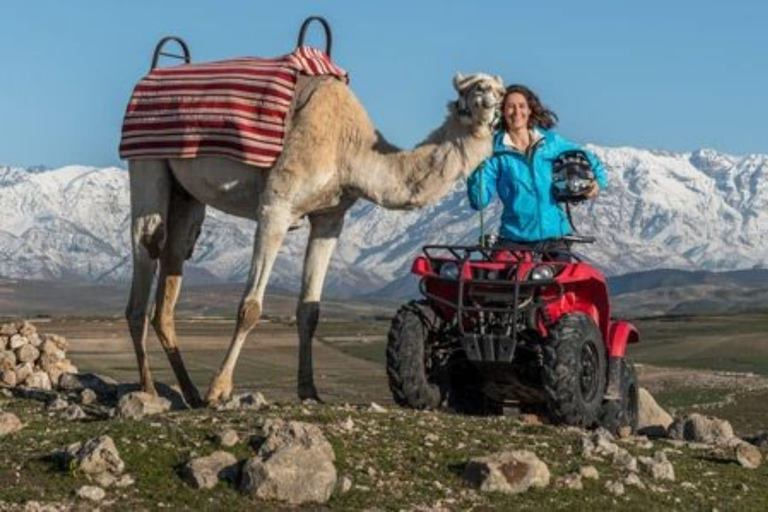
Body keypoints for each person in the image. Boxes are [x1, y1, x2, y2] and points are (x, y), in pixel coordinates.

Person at [466, 84, 608, 251]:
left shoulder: (550, 142)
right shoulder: (493, 151)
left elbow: (588, 158)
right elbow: (479, 201)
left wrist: (597, 183)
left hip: (556, 238)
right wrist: (475, 164)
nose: (517, 112)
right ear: (502, 112)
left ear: (530, 110)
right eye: (510, 107)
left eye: (521, 106)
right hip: (514, 241)